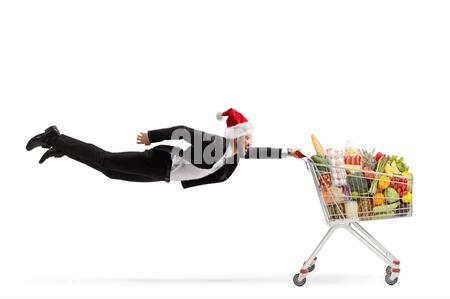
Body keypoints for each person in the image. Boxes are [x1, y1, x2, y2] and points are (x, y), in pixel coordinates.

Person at [25, 108, 303, 188]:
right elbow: (182, 131)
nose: (251, 145)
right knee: (107, 161)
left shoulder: (233, 152)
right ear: (235, 136)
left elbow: (258, 152)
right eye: (248, 139)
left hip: (164, 174)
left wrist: (287, 152)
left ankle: (65, 149)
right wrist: (151, 137)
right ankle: (55, 138)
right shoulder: (217, 145)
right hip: (160, 163)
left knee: (109, 172)